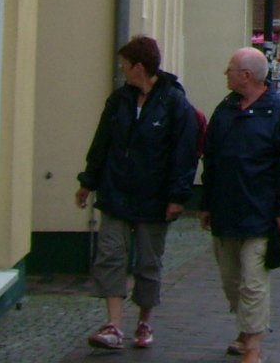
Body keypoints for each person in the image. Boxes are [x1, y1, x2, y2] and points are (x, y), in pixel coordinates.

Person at [75, 36, 198, 352]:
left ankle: (144, 320)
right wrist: (88, 181)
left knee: (147, 261)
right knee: (111, 255)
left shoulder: (174, 104)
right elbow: (101, 143)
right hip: (116, 192)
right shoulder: (119, 101)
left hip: (154, 197)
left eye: (125, 65)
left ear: (139, 67)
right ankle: (114, 325)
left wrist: (177, 197)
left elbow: (183, 155)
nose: (122, 70)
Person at [201, 47, 280, 363]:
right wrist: (205, 202)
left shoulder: (279, 112)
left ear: (246, 75)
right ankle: (246, 332)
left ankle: (254, 349)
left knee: (253, 281)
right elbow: (213, 158)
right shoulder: (225, 109)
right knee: (232, 281)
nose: (225, 73)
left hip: (261, 212)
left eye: (230, 68)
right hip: (226, 210)